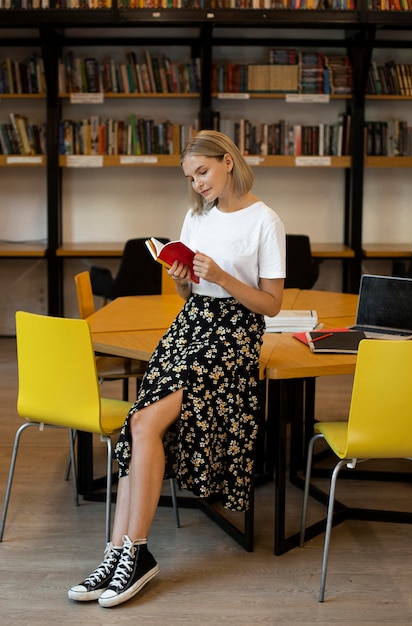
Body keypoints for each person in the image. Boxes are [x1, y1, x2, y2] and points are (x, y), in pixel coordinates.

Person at [68, 129, 286, 608]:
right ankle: (119, 551)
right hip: (189, 326)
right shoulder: (195, 216)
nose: (198, 184)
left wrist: (224, 276)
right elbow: (191, 295)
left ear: (227, 160)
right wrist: (182, 280)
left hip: (232, 334)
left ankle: (135, 552)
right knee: (137, 426)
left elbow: (271, 304)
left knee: (144, 422)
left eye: (202, 172)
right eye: (191, 177)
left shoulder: (265, 220)